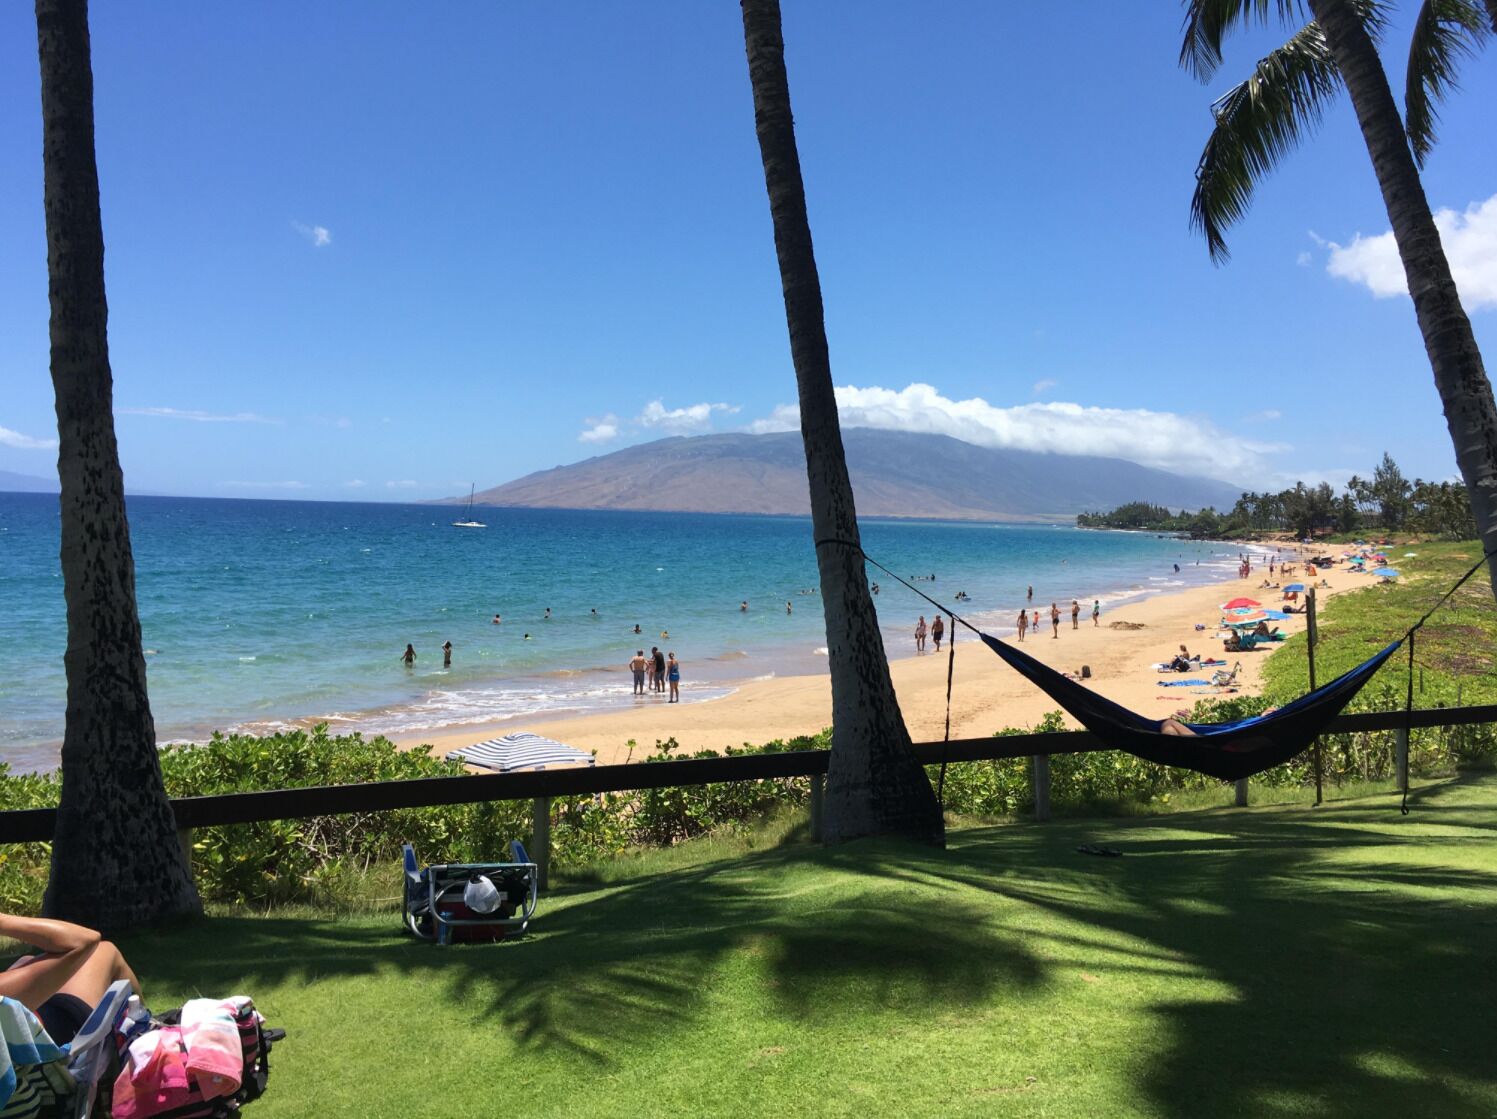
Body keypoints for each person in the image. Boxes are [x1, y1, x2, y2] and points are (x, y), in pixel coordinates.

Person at [0, 913, 141, 1045]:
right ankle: (145, 1026)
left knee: (27, 960)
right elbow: (85, 940)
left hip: (25, 1032)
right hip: (69, 1035)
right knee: (106, 951)